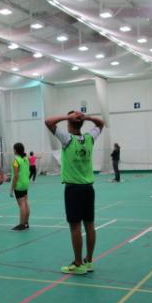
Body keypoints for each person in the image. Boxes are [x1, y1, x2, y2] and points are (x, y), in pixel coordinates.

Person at [45, 111, 104, 275]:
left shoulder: (67, 139)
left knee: (75, 227)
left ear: (70, 123)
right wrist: (87, 118)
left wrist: (67, 117)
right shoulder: (89, 138)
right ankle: (89, 261)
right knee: (90, 225)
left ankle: (78, 264)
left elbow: (48, 121)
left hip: (73, 190)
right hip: (88, 189)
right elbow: (101, 124)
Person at [10, 143, 30, 230]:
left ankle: (21, 224)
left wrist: (12, 188)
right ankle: (26, 223)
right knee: (26, 202)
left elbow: (16, 176)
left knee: (22, 204)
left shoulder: (16, 160)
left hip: (19, 184)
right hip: (26, 183)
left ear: (15, 150)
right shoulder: (26, 159)